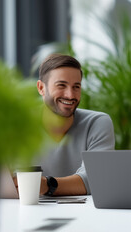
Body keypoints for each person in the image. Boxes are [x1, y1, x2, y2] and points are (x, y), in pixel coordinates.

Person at [23, 54, 115, 196]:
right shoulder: (20, 123)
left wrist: (47, 185)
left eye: (76, 87)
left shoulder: (97, 123)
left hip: (86, 214)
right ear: (41, 88)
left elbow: (96, 180)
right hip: (25, 211)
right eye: (61, 85)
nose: (70, 95)